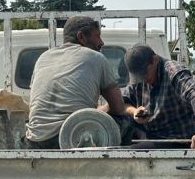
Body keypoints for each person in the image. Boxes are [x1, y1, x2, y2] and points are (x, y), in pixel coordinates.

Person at [25, 16, 127, 149]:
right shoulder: (96, 58)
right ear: (81, 37)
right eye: (97, 36)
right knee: (125, 121)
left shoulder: (43, 58)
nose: (101, 42)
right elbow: (118, 109)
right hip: (71, 137)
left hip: (35, 140)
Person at [122, 44, 195, 149]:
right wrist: (134, 111)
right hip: (151, 135)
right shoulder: (138, 79)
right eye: (139, 76)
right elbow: (123, 102)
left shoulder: (172, 71)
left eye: (145, 73)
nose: (143, 79)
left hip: (176, 140)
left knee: (130, 154)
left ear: (155, 60)